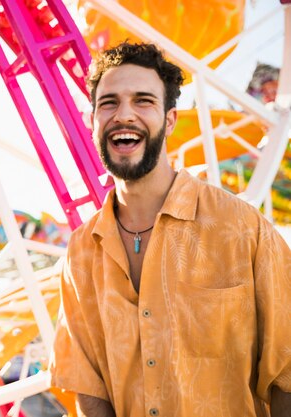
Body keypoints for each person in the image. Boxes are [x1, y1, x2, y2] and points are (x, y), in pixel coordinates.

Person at [49, 41, 291, 417]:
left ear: (170, 119)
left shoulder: (242, 230)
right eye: (108, 103)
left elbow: (286, 374)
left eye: (143, 100)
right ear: (92, 120)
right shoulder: (81, 251)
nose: (123, 115)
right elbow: (88, 384)